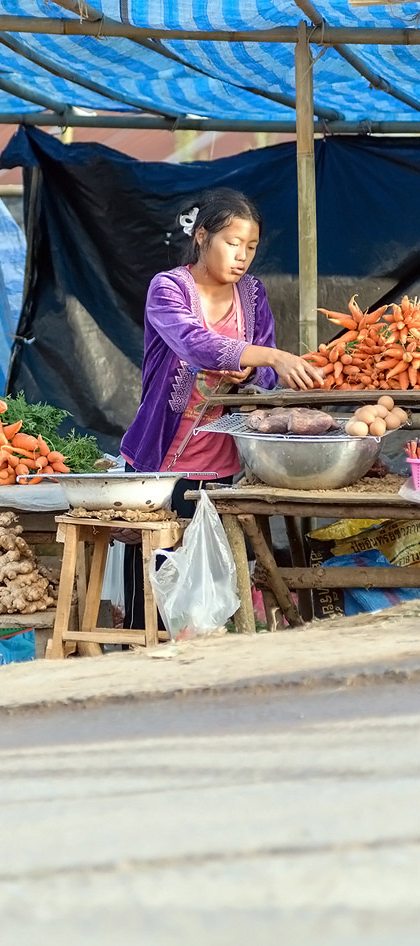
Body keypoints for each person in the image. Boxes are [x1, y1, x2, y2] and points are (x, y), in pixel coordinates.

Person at [119, 188, 324, 629]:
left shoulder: (251, 295)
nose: (243, 257)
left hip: (227, 465)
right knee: (154, 590)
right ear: (202, 236)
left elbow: (266, 378)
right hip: (163, 463)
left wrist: (250, 373)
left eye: (251, 247)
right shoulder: (168, 288)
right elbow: (195, 343)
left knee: (220, 587)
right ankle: (140, 673)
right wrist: (266, 357)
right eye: (232, 243)